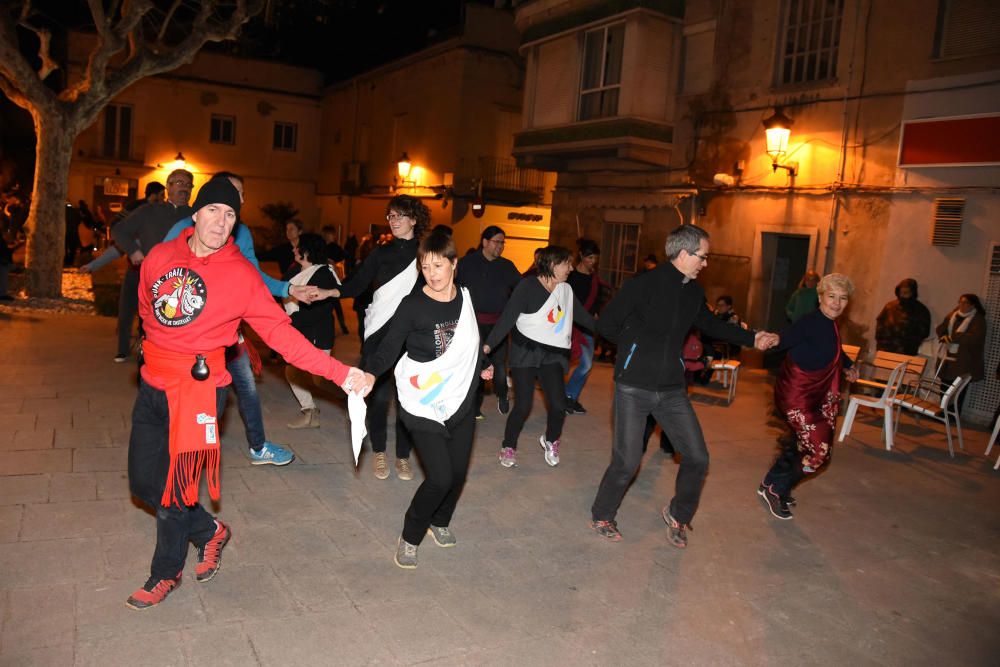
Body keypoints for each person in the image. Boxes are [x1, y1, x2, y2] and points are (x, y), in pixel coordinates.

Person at [124, 178, 369, 610]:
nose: (222, 221)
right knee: (146, 483)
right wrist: (151, 341)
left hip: (200, 392)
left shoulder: (239, 273)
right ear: (195, 214)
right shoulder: (160, 257)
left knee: (176, 492)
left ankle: (164, 573)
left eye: (231, 215)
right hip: (154, 385)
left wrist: (341, 373)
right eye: (214, 211)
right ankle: (210, 531)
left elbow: (280, 335)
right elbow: (147, 305)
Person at [589, 224, 776, 546]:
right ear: (684, 253)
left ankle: (679, 514)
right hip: (633, 386)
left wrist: (752, 338)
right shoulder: (642, 285)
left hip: (672, 390)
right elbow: (607, 324)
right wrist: (635, 349)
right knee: (627, 461)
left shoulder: (692, 292)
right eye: (702, 257)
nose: (706, 263)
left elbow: (709, 324)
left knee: (698, 457)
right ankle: (603, 513)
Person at [161, 171, 311, 466]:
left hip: (228, 331)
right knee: (188, 397)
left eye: (241, 194)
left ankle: (257, 446)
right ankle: (177, 449)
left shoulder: (240, 233)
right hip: (186, 335)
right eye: (233, 191)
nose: (240, 199)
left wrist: (288, 288)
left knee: (246, 386)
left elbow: (253, 274)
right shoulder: (183, 227)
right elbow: (158, 272)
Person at [362, 232, 491, 569]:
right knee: (440, 477)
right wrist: (371, 374)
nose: (432, 273)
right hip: (421, 398)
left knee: (459, 473)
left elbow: (471, 338)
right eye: (425, 266)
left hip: (459, 395)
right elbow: (389, 346)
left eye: (438, 265)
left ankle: (440, 520)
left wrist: (486, 365)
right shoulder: (412, 305)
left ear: (453, 264)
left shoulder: (466, 297)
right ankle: (410, 535)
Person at [326, 195, 427, 480]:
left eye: (400, 216)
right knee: (380, 398)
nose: (394, 221)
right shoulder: (381, 253)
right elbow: (357, 284)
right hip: (380, 333)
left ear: (414, 219)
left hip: (411, 336)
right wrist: (329, 292)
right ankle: (380, 452)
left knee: (409, 400)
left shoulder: (424, 253)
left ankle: (403, 456)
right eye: (391, 216)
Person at [483, 245, 596, 469]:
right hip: (526, 351)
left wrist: (615, 332)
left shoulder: (565, 290)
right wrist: (487, 346)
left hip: (552, 354)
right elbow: (507, 319)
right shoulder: (527, 287)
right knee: (523, 405)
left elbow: (584, 318)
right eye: (567, 264)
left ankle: (551, 440)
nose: (571, 268)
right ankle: (508, 445)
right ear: (553, 265)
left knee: (558, 404)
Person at [758, 273, 859, 520]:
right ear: (820, 297)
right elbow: (788, 337)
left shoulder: (831, 324)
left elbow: (835, 350)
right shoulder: (811, 321)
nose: (836, 303)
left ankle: (770, 485)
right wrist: (773, 338)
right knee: (818, 452)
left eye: (842, 298)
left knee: (804, 445)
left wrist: (848, 365)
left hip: (817, 396)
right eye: (831, 296)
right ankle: (776, 489)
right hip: (797, 396)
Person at [110, 169, 194, 362]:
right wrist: (132, 251)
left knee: (162, 318)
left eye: (188, 185)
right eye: (180, 183)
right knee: (127, 310)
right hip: (142, 272)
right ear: (168, 187)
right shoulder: (149, 211)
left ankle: (155, 353)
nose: (185, 189)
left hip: (176, 278)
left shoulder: (195, 216)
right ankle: (123, 349)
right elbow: (119, 230)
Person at [457, 225, 521, 418]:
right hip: (473, 324)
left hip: (498, 327)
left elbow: (521, 289)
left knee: (500, 367)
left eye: (503, 243)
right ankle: (475, 408)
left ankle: (502, 394)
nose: (501, 246)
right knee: (476, 367)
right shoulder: (467, 263)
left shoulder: (507, 266)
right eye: (497, 242)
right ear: (485, 242)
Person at [284, 233, 340, 429]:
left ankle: (356, 394)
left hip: (316, 334)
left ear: (306, 251)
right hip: (299, 332)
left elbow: (320, 310)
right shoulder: (295, 271)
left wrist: (289, 322)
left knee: (320, 378)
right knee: (293, 371)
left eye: (297, 247)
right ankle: (310, 411)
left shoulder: (323, 274)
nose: (293, 249)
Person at [80, 182, 167, 275]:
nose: (164, 198)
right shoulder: (136, 207)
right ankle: (90, 267)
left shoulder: (161, 209)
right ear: (153, 195)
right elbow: (116, 224)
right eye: (162, 195)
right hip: (139, 260)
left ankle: (90, 267)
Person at [935, 293, 987, 413]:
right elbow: (942, 328)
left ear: (973, 305)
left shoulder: (978, 320)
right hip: (947, 356)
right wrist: (943, 336)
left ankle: (953, 413)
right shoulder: (952, 315)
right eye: (960, 302)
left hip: (964, 359)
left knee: (958, 387)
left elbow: (975, 338)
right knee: (944, 384)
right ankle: (943, 410)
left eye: (965, 303)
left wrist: (953, 337)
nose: (962, 305)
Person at [875, 278, 931, 355]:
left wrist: (909, 341)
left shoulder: (920, 310)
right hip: (886, 349)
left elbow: (924, 332)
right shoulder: (889, 307)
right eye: (901, 292)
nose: (903, 295)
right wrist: (882, 343)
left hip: (906, 351)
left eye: (906, 292)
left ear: (912, 293)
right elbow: (880, 325)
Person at [320, 225, 350, 334]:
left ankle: (340, 326)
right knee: (335, 303)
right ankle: (343, 326)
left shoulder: (325, 247)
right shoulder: (332, 247)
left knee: (332, 303)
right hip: (330, 279)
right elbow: (345, 256)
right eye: (333, 234)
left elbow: (344, 256)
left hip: (327, 278)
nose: (335, 236)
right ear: (329, 235)